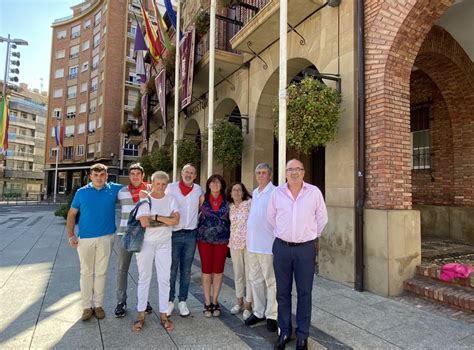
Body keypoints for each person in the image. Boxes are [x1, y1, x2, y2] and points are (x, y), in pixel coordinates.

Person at [267, 159, 328, 350]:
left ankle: (303, 335)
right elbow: (270, 218)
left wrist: (310, 236)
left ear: (303, 172)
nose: (294, 172)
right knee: (283, 293)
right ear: (285, 173)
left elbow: (322, 218)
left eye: (298, 169)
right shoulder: (277, 193)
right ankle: (284, 331)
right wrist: (284, 234)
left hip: (305, 249)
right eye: (290, 169)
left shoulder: (314, 192)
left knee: (305, 293)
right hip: (282, 248)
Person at [66, 163, 123, 321]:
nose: (99, 178)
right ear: (90, 176)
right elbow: (71, 214)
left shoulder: (114, 189)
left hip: (106, 238)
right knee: (86, 272)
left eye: (102, 175)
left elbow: (135, 185)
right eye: (95, 175)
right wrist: (71, 235)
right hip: (85, 239)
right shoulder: (81, 192)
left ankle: (98, 305)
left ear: (106, 176)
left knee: (101, 273)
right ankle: (86, 306)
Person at [132, 171, 179, 332]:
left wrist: (157, 216)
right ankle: (141, 314)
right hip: (146, 243)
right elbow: (144, 222)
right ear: (152, 183)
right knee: (144, 277)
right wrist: (166, 220)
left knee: (164, 278)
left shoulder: (171, 199)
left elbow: (176, 220)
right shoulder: (146, 199)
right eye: (157, 184)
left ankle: (164, 314)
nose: (160, 187)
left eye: (163, 184)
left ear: (167, 185)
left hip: (165, 244)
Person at [114, 163, 153, 318]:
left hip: (145, 235)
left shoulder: (150, 190)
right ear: (129, 176)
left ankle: (144, 301)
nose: (135, 176)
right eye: (132, 174)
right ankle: (121, 302)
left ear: (143, 175)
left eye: (138, 173)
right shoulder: (121, 192)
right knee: (122, 269)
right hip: (124, 234)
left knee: (144, 271)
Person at [165, 164, 203, 317]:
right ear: (181, 173)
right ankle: (169, 301)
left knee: (186, 269)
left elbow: (200, 207)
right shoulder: (171, 188)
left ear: (195, 176)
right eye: (186, 172)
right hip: (174, 234)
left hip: (190, 234)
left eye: (192, 173)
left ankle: (182, 301)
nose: (189, 174)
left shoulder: (198, 189)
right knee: (172, 268)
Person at [245, 163, 278, 332]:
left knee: (271, 281)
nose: (261, 175)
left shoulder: (275, 192)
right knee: (255, 280)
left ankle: (272, 314)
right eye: (258, 173)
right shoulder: (255, 193)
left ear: (270, 175)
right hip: (252, 245)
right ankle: (259, 311)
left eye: (264, 173)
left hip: (268, 246)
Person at [197, 174, 230, 318]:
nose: (215, 185)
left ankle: (215, 301)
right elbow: (195, 215)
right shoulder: (202, 199)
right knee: (206, 270)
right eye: (212, 183)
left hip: (222, 241)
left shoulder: (228, 201)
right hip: (204, 240)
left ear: (222, 185)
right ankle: (207, 301)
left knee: (218, 271)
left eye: (218, 183)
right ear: (208, 185)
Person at [226, 182, 253, 319]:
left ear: (243, 193)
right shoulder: (230, 207)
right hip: (234, 244)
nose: (236, 192)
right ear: (230, 193)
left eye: (239, 190)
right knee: (238, 274)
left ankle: (248, 304)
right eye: (234, 190)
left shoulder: (249, 204)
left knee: (249, 274)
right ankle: (239, 302)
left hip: (248, 244)